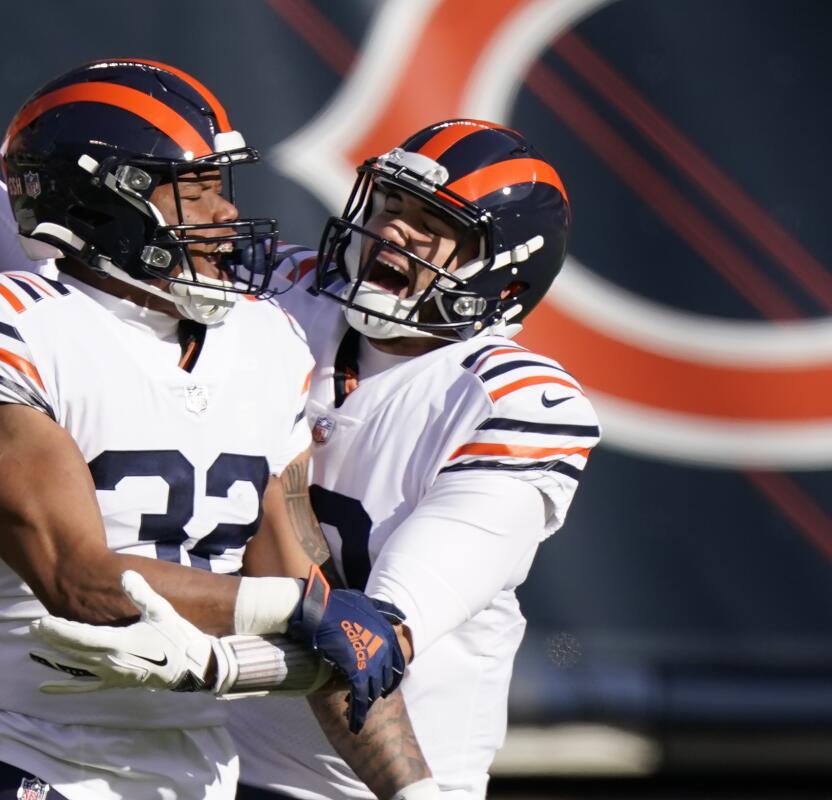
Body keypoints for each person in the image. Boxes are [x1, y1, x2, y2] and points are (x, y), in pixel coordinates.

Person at [0, 12, 440, 800]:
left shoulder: (266, 342)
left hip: (202, 774)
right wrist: (298, 611)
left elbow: (318, 609)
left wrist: (418, 792)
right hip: (40, 769)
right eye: (191, 192)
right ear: (104, 205)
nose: (224, 215)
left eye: (220, 187)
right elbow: (79, 581)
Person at [39, 122, 601, 800]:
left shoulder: (515, 402)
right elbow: (91, 254)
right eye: (391, 208)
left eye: (432, 225)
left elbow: (370, 642)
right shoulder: (286, 294)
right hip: (218, 766)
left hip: (385, 785)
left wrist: (213, 663)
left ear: (504, 277)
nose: (394, 234)